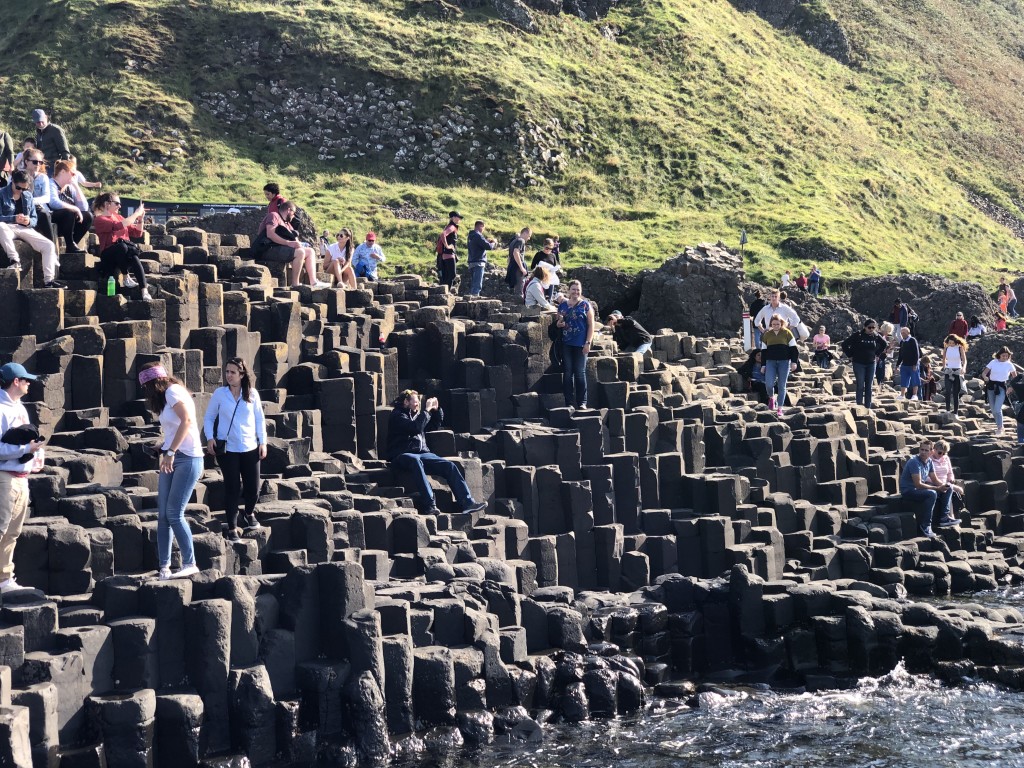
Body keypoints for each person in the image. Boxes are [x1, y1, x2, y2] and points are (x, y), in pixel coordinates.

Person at [139, 361, 203, 580]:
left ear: (152, 383)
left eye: (145, 388)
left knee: (175, 513)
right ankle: (164, 567)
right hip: (173, 456)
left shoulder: (173, 391)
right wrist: (163, 447)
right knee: (163, 516)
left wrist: (171, 451)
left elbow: (187, 421)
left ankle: (190, 562)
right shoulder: (167, 397)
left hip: (188, 459)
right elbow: (176, 427)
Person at [386, 389, 487, 515]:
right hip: (401, 455)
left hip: (423, 454)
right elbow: (415, 428)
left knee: (449, 466)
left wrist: (436, 410)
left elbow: (434, 425)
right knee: (415, 460)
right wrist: (426, 411)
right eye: (415, 402)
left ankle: (467, 503)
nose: (418, 404)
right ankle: (430, 505)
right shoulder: (398, 415)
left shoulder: (417, 417)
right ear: (406, 402)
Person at [203, 358, 267, 542]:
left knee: (253, 489)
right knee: (232, 487)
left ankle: (248, 513)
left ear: (242, 374)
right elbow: (209, 418)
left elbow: (259, 420)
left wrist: (263, 442)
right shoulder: (219, 394)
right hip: (227, 449)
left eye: (233, 372)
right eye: (227, 372)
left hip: (250, 447)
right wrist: (210, 438)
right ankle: (232, 527)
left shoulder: (252, 394)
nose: (229, 375)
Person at [0, 362, 45, 592]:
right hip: (3, 477)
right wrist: (25, 450)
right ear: (15, 381)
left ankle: (5, 580)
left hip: (21, 477)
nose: (29, 383)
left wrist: (37, 457)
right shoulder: (0, 409)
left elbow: (30, 440)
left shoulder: (20, 407)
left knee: (12, 532)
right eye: (26, 380)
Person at [0, 170, 61, 288]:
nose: (21, 191)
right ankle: (14, 260)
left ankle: (49, 281)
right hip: (7, 226)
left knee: (48, 245)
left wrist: (28, 221)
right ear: (12, 181)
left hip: (24, 228)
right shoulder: (1, 194)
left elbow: (34, 219)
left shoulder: (28, 196)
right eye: (19, 188)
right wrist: (14, 218)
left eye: (25, 189)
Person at [93, 192, 152, 300]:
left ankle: (144, 290)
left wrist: (140, 219)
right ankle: (125, 276)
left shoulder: (119, 217)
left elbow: (137, 233)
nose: (119, 206)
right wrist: (136, 213)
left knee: (133, 255)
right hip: (109, 256)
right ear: (107, 204)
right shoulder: (99, 219)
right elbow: (118, 226)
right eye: (117, 203)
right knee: (122, 247)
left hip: (124, 255)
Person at [260, 200, 328, 289]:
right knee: (300, 253)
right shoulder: (273, 216)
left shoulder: (286, 223)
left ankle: (314, 282)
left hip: (278, 248)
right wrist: (288, 243)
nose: (293, 216)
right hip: (267, 248)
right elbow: (270, 234)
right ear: (289, 210)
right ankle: (295, 284)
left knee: (310, 251)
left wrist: (299, 244)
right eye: (293, 213)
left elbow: (294, 238)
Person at [899, 439, 958, 538]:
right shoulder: (914, 462)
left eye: (926, 450)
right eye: (922, 449)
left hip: (919, 490)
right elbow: (918, 485)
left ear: (931, 451)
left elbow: (935, 479)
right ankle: (926, 525)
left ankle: (944, 517)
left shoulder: (929, 461)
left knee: (949, 488)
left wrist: (945, 486)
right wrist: (938, 488)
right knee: (932, 494)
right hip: (909, 491)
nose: (923, 452)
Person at [556, 280, 594, 410]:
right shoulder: (562, 306)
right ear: (569, 291)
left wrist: (588, 343)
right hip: (566, 343)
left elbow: (591, 325)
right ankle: (569, 403)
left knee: (580, 372)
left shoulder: (586, 305)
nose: (576, 292)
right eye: (573, 289)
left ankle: (582, 402)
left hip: (581, 344)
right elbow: (559, 321)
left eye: (578, 290)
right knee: (568, 373)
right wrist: (559, 324)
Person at [841, 319, 888, 408]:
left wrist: (877, 354)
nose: (871, 329)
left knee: (869, 386)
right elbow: (844, 344)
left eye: (873, 327)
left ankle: (868, 406)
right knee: (860, 385)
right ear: (865, 327)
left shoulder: (876, 336)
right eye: (869, 327)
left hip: (871, 363)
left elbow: (884, 344)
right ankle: (859, 406)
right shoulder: (858, 335)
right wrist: (850, 355)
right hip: (858, 363)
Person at [49, 160, 91, 255]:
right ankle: (70, 244)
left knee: (88, 216)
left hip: (69, 222)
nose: (74, 176)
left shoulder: (69, 187)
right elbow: (53, 203)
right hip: (53, 218)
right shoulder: (51, 183)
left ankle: (72, 245)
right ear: (62, 172)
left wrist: (76, 186)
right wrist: (75, 208)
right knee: (68, 212)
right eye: (72, 173)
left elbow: (84, 207)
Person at [759, 314, 798, 415]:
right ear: (771, 324)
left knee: (782, 386)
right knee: (769, 384)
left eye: (777, 324)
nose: (775, 325)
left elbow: (794, 349)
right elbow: (763, 351)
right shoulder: (767, 335)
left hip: (784, 362)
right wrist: (763, 365)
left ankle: (780, 408)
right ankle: (772, 398)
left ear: (781, 323)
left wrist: (794, 362)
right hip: (770, 362)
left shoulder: (787, 333)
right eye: (773, 324)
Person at [982, 347, 1019, 436]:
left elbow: (1015, 378)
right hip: (991, 386)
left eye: (1007, 356)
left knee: (997, 409)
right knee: (993, 409)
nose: (1005, 357)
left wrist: (1011, 388)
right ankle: (999, 425)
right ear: (999, 355)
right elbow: (984, 373)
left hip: (1002, 387)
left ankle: (1000, 427)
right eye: (1003, 356)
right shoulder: (993, 362)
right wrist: (985, 377)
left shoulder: (1009, 364)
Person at [22, 148, 55, 246]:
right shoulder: (18, 175)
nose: (38, 165)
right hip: (21, 207)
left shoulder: (42, 177)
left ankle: (52, 248)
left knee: (44, 214)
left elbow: (46, 198)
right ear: (26, 161)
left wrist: (31, 201)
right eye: (35, 162)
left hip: (37, 207)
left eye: (40, 162)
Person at [930, 440, 968, 520]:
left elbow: (950, 472)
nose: (942, 455)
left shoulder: (946, 458)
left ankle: (959, 511)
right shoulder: (929, 460)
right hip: (933, 483)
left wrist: (951, 479)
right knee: (949, 490)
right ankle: (950, 516)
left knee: (960, 490)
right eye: (940, 453)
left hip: (945, 482)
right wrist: (940, 484)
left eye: (944, 453)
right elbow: (927, 476)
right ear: (934, 449)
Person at [466, 220, 498, 297]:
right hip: (479, 262)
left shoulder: (471, 236)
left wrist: (486, 241)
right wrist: (493, 242)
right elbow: (488, 247)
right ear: (481, 226)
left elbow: (479, 244)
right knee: (477, 284)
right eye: (483, 228)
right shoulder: (478, 235)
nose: (483, 230)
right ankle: (474, 299)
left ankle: (472, 298)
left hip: (472, 262)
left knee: (474, 283)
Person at [941, 334, 967, 416]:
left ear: (956, 342)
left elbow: (964, 360)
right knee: (948, 391)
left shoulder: (960, 348)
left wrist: (963, 368)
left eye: (953, 343)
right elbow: (944, 359)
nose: (951, 344)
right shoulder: (946, 348)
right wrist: (944, 367)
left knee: (956, 393)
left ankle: (955, 412)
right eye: (949, 343)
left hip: (957, 371)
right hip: (948, 371)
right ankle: (948, 410)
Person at [895, 326, 921, 401]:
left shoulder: (912, 340)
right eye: (901, 333)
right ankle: (902, 394)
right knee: (904, 380)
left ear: (908, 333)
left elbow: (916, 353)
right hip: (905, 364)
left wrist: (915, 364)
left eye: (904, 332)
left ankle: (915, 395)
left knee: (915, 379)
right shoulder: (902, 342)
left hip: (913, 364)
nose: (902, 334)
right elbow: (900, 354)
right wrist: (897, 365)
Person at [437, 211, 461, 290]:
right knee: (452, 275)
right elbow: (443, 234)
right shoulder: (452, 227)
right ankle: (446, 292)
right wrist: (447, 246)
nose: (459, 219)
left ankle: (444, 291)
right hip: (449, 254)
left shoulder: (448, 226)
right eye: (458, 217)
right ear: (453, 218)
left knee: (447, 275)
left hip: (445, 255)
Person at [505, 227, 531, 295]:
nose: (529, 238)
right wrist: (522, 268)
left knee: (514, 290)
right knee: (519, 291)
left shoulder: (513, 241)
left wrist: (508, 267)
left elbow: (509, 257)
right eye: (529, 236)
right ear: (525, 233)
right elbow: (515, 252)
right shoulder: (521, 241)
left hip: (512, 266)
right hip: (517, 268)